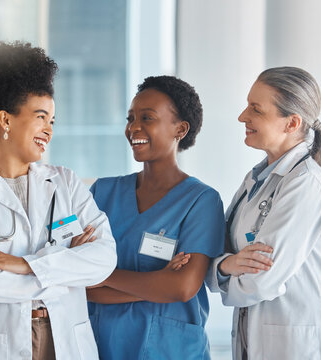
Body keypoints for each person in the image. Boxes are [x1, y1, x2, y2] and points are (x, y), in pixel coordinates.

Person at [0, 41, 117, 360]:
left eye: (52, 120)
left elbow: (104, 259)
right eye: (40, 117)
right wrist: (65, 271)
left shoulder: (64, 182)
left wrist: (23, 265)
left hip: (65, 337)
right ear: (6, 121)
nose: (48, 130)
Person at [87, 75, 225, 359]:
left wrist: (106, 277)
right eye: (130, 118)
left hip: (171, 350)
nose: (133, 127)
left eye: (147, 118)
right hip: (104, 346)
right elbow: (80, 284)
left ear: (180, 129)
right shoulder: (103, 192)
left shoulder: (201, 201)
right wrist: (158, 283)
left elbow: (183, 286)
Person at [206, 66, 321, 359]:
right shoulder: (256, 178)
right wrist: (226, 266)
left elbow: (261, 280)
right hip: (254, 338)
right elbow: (218, 251)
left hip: (297, 344)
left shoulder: (306, 184)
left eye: (256, 109)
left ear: (291, 123)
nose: (243, 116)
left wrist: (221, 269)